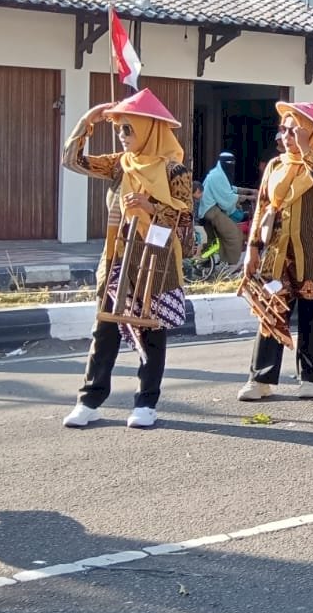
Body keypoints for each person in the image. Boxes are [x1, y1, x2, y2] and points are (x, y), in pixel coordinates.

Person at [61, 88, 194, 430]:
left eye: (128, 129)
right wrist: (87, 122)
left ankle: (146, 403)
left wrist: (152, 209)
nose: (121, 137)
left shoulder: (174, 170)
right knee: (104, 329)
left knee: (152, 332)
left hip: (156, 260)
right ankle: (89, 400)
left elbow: (186, 223)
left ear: (149, 128)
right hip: (118, 257)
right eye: (119, 129)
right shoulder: (120, 165)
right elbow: (72, 161)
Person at [238, 101, 313, 401]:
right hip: (276, 250)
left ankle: (310, 378)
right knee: (270, 313)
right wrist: (253, 249)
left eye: (294, 129)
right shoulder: (276, 165)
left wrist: (306, 150)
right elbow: (262, 207)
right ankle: (261, 379)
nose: (286, 136)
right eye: (283, 129)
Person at [197, 150, 245, 268]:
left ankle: (215, 263)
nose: (231, 166)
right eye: (229, 163)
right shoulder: (217, 176)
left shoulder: (219, 173)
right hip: (211, 211)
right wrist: (245, 197)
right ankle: (233, 264)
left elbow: (230, 189)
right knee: (233, 233)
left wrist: (249, 192)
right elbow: (227, 197)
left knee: (216, 239)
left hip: (210, 210)